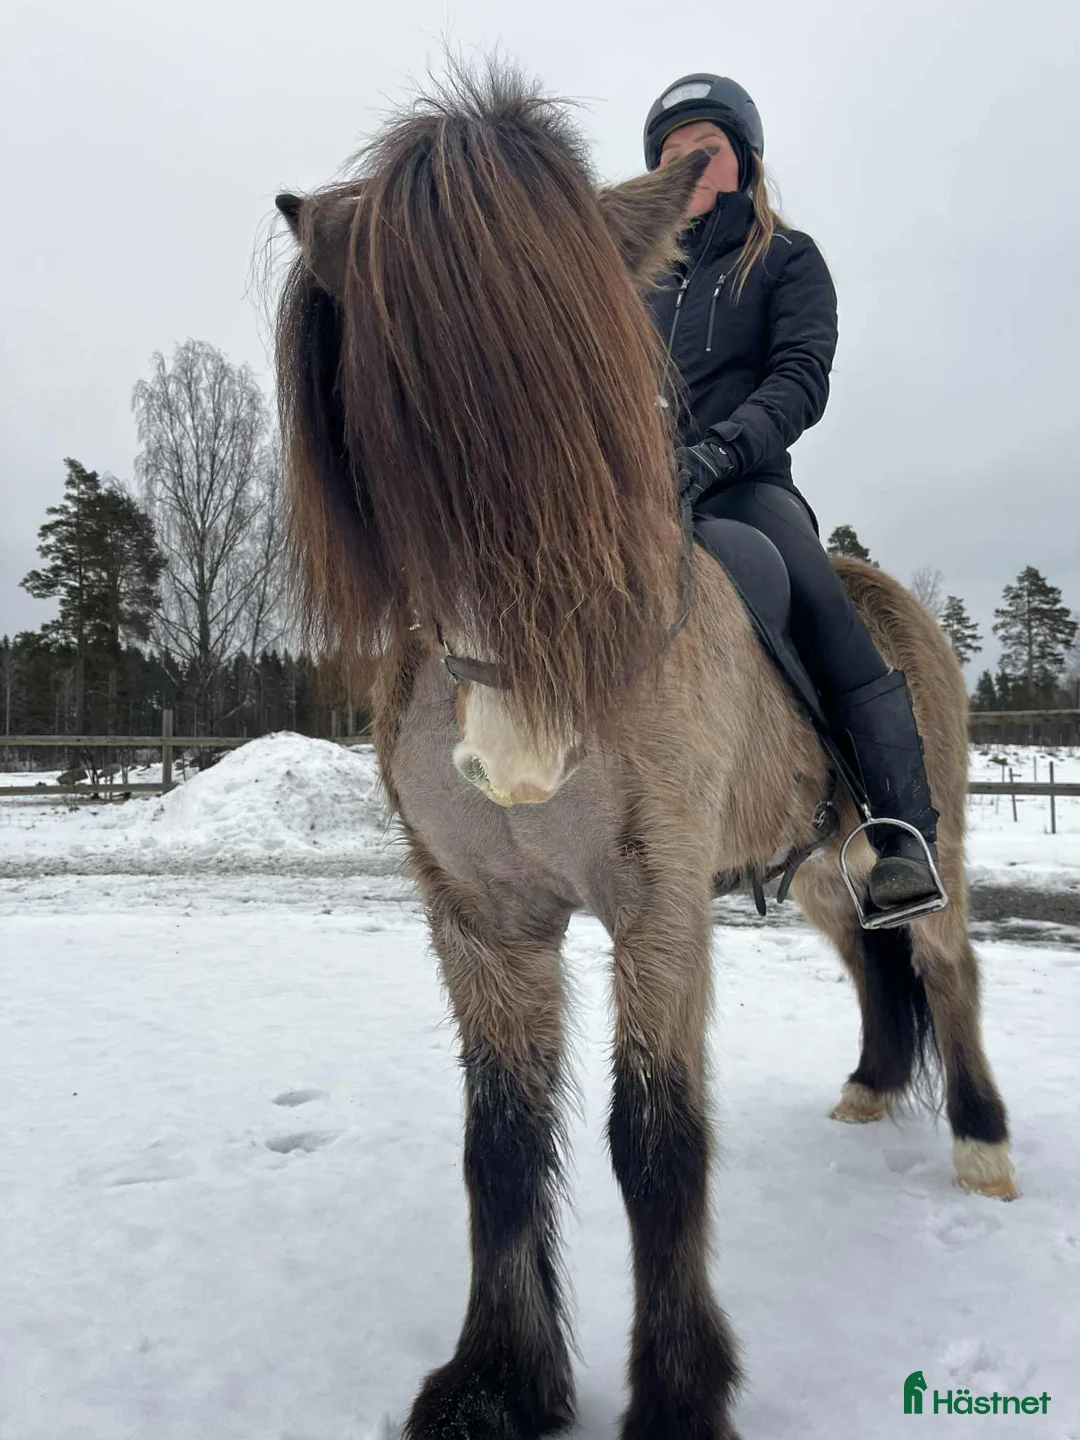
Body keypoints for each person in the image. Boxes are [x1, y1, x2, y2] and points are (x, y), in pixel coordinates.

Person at [643, 73, 940, 915]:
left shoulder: (786, 259)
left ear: (744, 160)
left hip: (745, 483)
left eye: (706, 150)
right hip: (644, 491)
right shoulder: (638, 282)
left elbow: (800, 377)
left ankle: (898, 832)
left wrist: (718, 451)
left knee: (816, 599)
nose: (688, 165)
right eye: (670, 155)